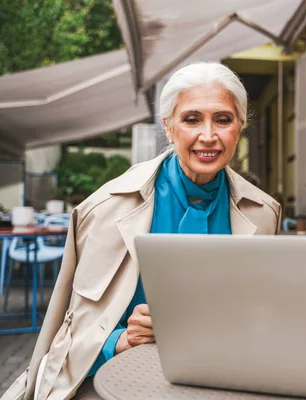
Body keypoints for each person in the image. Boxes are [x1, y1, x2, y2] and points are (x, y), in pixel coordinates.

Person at [2, 62, 281, 400]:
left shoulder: (265, 213)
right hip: (119, 375)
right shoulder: (105, 209)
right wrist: (116, 340)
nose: (208, 135)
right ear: (169, 126)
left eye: (223, 119)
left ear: (239, 127)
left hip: (220, 379)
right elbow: (72, 326)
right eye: (191, 119)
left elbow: (263, 316)